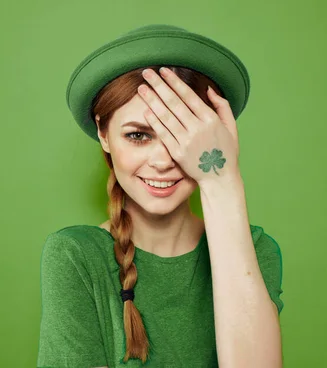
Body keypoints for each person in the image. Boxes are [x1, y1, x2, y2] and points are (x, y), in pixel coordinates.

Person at [37, 24, 284, 368]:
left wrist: (221, 181)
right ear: (104, 135)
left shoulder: (256, 251)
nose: (162, 161)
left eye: (180, 137)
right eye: (138, 135)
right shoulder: (76, 255)